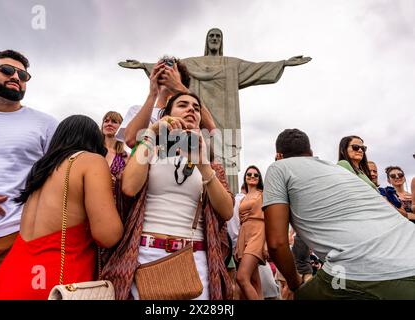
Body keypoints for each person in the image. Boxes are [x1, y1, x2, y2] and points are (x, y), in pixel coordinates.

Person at [119, 28, 311, 193]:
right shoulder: (190, 66)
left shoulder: (231, 65)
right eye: (211, 36)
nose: (214, 39)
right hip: (150, 191)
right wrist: (144, 67)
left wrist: (283, 63)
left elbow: (255, 69)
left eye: (218, 36)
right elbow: (131, 139)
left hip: (195, 179)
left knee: (220, 158)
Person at [101, 90, 234, 300]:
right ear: (166, 115)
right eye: (183, 105)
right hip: (145, 255)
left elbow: (226, 211)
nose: (191, 109)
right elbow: (128, 188)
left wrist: (203, 165)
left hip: (194, 260)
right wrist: (151, 134)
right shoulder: (150, 151)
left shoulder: (210, 164)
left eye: (196, 108)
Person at [0, 115, 124, 300]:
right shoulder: (91, 161)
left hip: (12, 275)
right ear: (95, 140)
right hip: (57, 280)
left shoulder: (41, 168)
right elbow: (108, 235)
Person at [263, 128, 415, 299]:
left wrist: (295, 285)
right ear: (311, 153)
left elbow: (276, 243)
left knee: (304, 295)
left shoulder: (278, 168)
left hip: (363, 268)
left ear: (279, 156)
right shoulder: (338, 170)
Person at [0, 50, 58, 300]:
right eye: (7, 70)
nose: (16, 76)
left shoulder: (47, 125)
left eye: (23, 74)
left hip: (10, 240)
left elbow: (61, 178)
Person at [235, 166, 267, 300]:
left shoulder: (263, 194)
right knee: (255, 282)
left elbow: (269, 219)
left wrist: (266, 244)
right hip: (244, 236)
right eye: (249, 174)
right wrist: (238, 245)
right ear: (245, 177)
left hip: (258, 234)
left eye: (256, 175)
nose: (252, 176)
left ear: (259, 179)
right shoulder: (242, 198)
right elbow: (241, 223)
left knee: (241, 277)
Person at [101, 111, 128, 180]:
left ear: (121, 127)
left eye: (114, 122)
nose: (109, 124)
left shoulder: (125, 156)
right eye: (106, 121)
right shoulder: (92, 149)